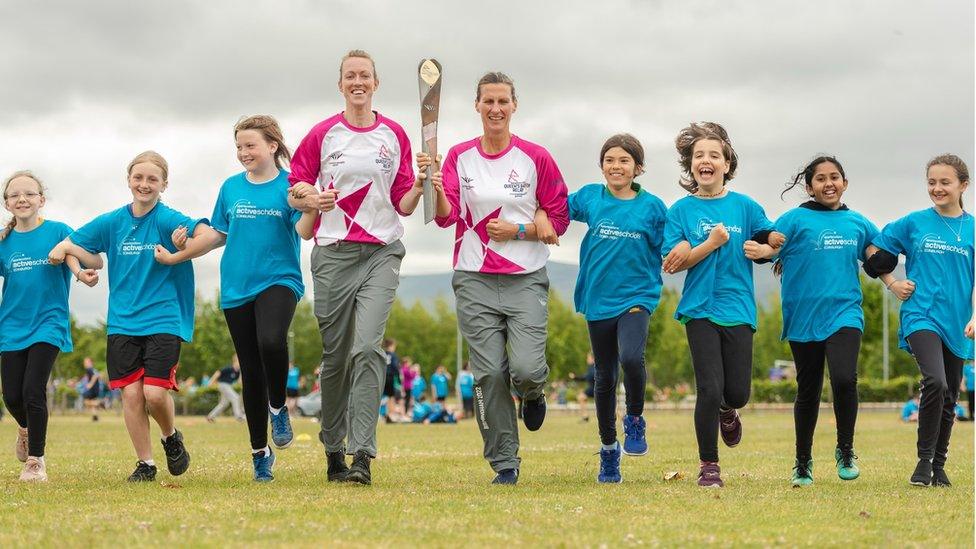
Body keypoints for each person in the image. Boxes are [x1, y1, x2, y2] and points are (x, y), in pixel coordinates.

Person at [421, 71, 569, 485]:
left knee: (523, 369)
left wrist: (519, 230)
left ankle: (534, 392)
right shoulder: (458, 156)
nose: (495, 108)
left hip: (525, 276)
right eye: (488, 101)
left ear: (514, 106)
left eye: (503, 101)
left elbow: (558, 218)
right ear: (477, 106)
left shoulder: (536, 158)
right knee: (487, 374)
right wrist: (434, 186)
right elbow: (444, 215)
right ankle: (505, 460)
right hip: (473, 278)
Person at [288, 50, 423, 485]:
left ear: (376, 83)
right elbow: (295, 189)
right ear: (341, 83)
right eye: (350, 75)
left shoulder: (394, 133)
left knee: (368, 348)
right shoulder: (322, 134)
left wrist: (421, 184)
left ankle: (361, 454)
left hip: (381, 250)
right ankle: (333, 449)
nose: (358, 81)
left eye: (365, 75)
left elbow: (403, 201)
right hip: (332, 254)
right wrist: (312, 197)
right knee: (336, 358)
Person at [155, 115, 304, 482]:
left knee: (272, 340)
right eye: (238, 147)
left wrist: (311, 205)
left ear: (272, 145)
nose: (243, 153)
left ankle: (278, 406)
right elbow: (217, 234)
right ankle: (259, 453)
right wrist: (179, 252)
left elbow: (304, 228)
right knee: (250, 371)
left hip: (280, 280)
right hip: (236, 286)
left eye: (250, 145)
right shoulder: (230, 187)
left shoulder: (292, 185)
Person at [49, 150, 202, 482]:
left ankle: (171, 436)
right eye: (138, 178)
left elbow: (203, 233)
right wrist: (80, 272)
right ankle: (145, 464)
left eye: (152, 179)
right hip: (122, 322)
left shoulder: (166, 218)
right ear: (128, 180)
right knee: (131, 394)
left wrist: (184, 243)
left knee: (154, 393)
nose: (144, 185)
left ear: (164, 184)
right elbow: (69, 245)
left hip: (163, 318)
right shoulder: (112, 222)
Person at [660, 122, 783, 488]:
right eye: (699, 155)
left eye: (714, 155)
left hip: (739, 309)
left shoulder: (745, 207)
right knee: (708, 390)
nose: (706, 160)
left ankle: (729, 412)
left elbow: (771, 239)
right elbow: (674, 261)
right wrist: (709, 244)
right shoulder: (680, 211)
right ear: (691, 165)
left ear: (727, 164)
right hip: (699, 309)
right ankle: (709, 465)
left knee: (736, 393)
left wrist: (766, 249)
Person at [748, 156, 879, 487]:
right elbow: (769, 247)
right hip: (803, 315)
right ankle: (802, 461)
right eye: (820, 179)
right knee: (808, 389)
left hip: (845, 312)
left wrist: (887, 268)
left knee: (845, 379)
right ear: (809, 187)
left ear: (845, 183)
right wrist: (763, 252)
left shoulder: (858, 223)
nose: (828, 183)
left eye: (835, 177)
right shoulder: (793, 219)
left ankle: (845, 450)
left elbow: (879, 253)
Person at [557, 134, 667, 483]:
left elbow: (671, 245)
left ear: (638, 167)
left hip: (637, 297)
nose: (616, 167)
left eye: (623, 161)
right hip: (598, 299)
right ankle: (608, 451)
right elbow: (552, 203)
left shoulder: (653, 207)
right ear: (602, 165)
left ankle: (634, 418)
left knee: (632, 359)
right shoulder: (591, 197)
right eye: (609, 160)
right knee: (605, 377)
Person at [864, 153, 974, 487]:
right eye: (931, 182)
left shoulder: (972, 228)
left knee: (951, 397)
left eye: (945, 182)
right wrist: (892, 283)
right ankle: (923, 462)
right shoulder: (913, 223)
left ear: (962, 185)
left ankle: (938, 466)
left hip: (958, 322)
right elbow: (873, 252)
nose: (937, 188)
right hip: (920, 314)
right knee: (936, 382)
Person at [0, 171, 101, 481]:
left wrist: (79, 269)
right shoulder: (4, 242)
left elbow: (93, 261)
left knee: (33, 390)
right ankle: (25, 429)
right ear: (6, 203)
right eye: (14, 195)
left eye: (29, 194)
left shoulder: (59, 231)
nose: (22, 199)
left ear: (41, 200)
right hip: (11, 326)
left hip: (49, 323)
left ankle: (35, 462)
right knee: (12, 397)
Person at [206, 355, 244, 422]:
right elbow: (218, 372)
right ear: (235, 361)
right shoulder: (229, 368)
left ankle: (210, 416)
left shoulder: (238, 372)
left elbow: (239, 382)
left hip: (228, 386)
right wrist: (211, 381)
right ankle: (238, 416)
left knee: (224, 404)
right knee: (236, 398)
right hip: (223, 385)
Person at [81, 357, 103, 422]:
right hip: (96, 389)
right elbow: (99, 375)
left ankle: (99, 403)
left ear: (90, 362)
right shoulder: (94, 369)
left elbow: (95, 376)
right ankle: (95, 417)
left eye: (86, 362)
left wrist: (90, 384)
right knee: (92, 402)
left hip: (92, 389)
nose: (84, 364)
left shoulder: (89, 369)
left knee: (86, 401)